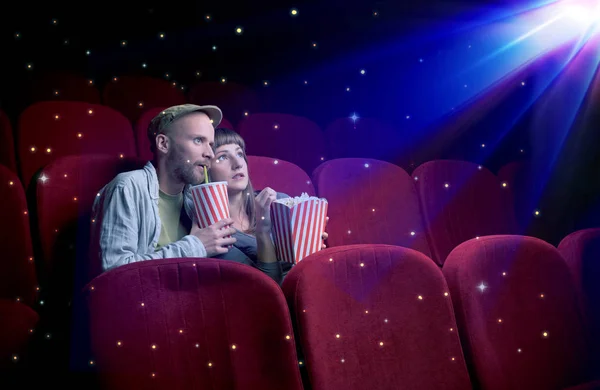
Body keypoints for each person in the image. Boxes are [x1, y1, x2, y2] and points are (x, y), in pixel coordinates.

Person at [90, 104, 237, 274]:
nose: (210, 153)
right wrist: (196, 246)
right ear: (163, 144)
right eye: (198, 140)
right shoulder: (127, 187)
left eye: (210, 144)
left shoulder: (194, 197)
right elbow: (115, 270)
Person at [208, 127, 328, 284]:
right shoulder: (216, 233)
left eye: (239, 154)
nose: (238, 164)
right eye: (222, 157)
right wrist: (263, 230)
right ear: (205, 171)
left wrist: (313, 245)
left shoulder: (280, 201)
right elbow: (268, 286)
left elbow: (309, 265)